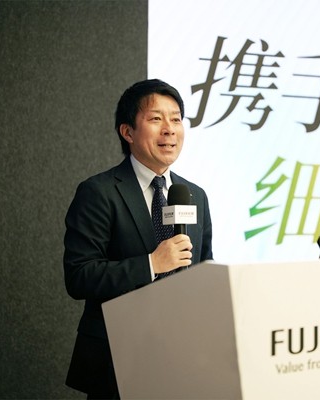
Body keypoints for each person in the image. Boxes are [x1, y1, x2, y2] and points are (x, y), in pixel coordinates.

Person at [63, 79, 213, 399]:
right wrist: (151, 264)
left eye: (176, 119)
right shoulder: (99, 192)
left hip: (183, 358)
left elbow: (203, 266)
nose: (169, 129)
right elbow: (79, 276)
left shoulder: (194, 195)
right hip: (118, 361)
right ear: (127, 132)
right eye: (156, 119)